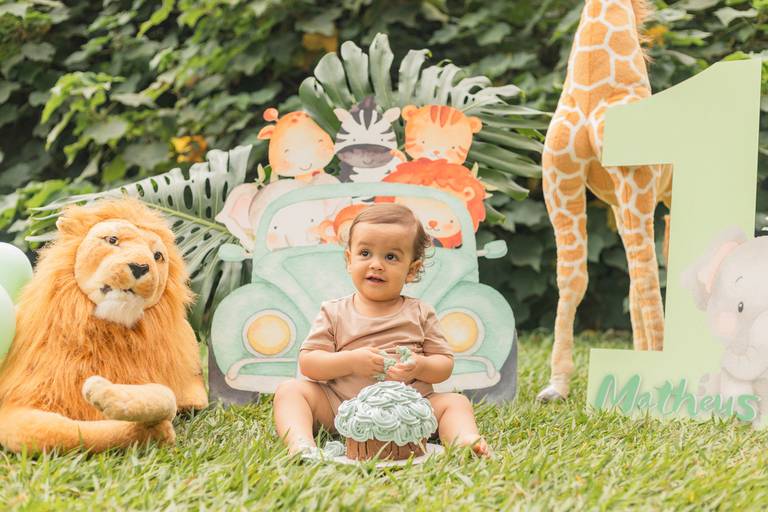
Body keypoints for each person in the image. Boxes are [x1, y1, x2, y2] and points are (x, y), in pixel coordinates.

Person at [273, 203, 489, 457]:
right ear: (349, 259)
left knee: (455, 403)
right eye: (365, 253)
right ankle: (301, 444)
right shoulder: (334, 311)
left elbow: (444, 365)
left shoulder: (420, 313)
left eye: (391, 257)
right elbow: (309, 363)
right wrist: (351, 362)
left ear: (412, 270)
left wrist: (419, 366)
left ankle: (464, 441)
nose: (376, 264)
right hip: (341, 407)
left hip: (410, 410)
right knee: (290, 390)